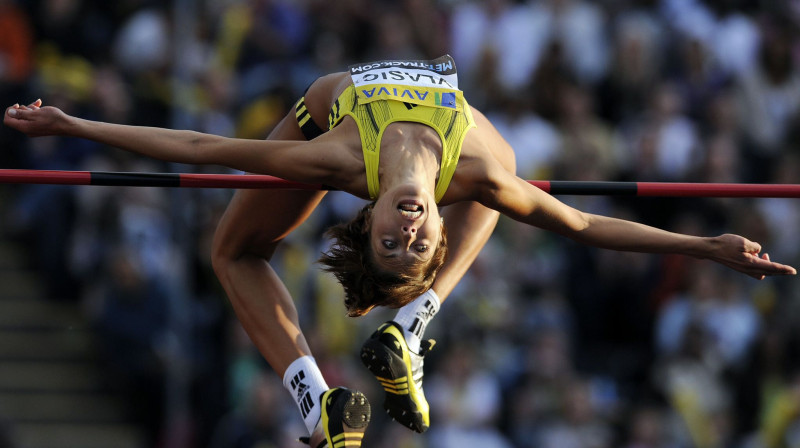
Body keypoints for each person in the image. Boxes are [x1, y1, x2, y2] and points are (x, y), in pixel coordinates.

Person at [5, 55, 796, 448]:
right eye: (415, 241)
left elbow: (197, 143)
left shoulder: (341, 162)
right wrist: (705, 244)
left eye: (393, 237)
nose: (409, 228)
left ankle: (318, 401)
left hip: (319, 114)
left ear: (368, 211)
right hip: (470, 153)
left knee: (233, 252)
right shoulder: (475, 177)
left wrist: (73, 127)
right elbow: (587, 228)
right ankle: (413, 321)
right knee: (505, 181)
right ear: (436, 228)